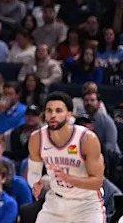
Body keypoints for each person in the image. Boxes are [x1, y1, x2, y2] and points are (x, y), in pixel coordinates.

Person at [27, 91, 105, 223]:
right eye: (49, 111)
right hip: (56, 202)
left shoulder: (86, 139)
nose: (53, 115)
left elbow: (97, 182)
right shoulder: (37, 138)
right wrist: (36, 183)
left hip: (86, 204)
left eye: (58, 111)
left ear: (69, 115)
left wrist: (70, 179)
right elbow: (34, 172)